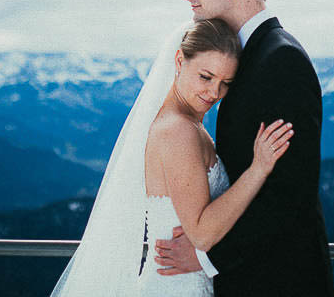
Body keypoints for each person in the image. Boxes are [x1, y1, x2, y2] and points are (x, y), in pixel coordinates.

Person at [50, 18, 293, 297]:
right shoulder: (178, 131)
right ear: (179, 61)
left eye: (226, 83)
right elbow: (201, 233)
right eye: (206, 76)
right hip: (178, 287)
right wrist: (258, 169)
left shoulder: (184, 124)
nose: (214, 93)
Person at [153, 0, 334, 296]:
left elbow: (290, 194)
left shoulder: (280, 59)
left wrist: (208, 255)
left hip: (280, 283)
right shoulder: (248, 55)